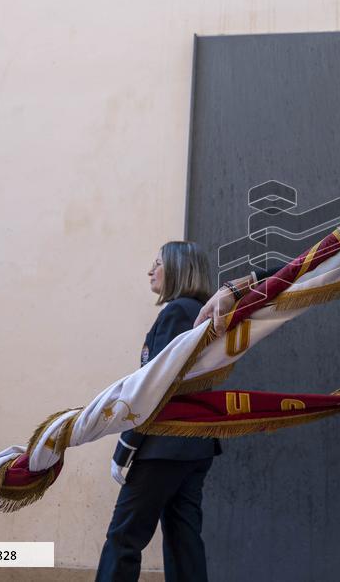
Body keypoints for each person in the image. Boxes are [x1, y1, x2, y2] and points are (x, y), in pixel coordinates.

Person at [97, 241, 220, 582]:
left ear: (179, 269)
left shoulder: (178, 311)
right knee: (184, 542)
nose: (150, 271)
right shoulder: (198, 310)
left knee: (124, 536)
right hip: (194, 445)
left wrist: (127, 445)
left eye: (158, 263)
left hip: (165, 444)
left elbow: (155, 384)